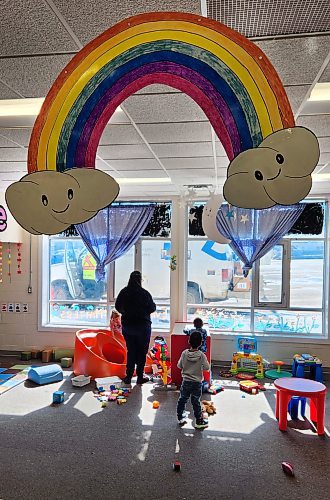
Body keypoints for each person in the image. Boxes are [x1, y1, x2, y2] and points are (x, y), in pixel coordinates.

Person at [115, 271, 156, 385]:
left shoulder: (124, 292)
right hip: (143, 326)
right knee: (142, 352)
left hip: (128, 326)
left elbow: (118, 306)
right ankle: (139, 377)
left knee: (131, 351)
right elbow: (152, 308)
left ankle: (128, 377)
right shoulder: (144, 293)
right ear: (140, 280)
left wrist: (126, 312)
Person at [176, 330, 210, 429]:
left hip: (186, 381)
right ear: (200, 343)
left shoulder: (184, 353)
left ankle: (180, 417)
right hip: (197, 383)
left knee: (182, 399)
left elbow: (179, 365)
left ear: (189, 341)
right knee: (196, 401)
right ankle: (199, 421)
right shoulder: (201, 355)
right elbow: (207, 368)